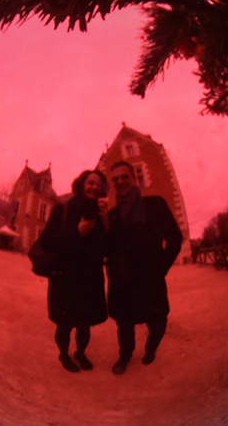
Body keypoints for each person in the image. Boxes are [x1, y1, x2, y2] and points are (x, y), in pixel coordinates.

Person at [106, 160, 182, 374]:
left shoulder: (155, 204)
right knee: (124, 326)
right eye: (115, 179)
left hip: (151, 279)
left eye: (124, 177)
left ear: (134, 178)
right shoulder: (111, 215)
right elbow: (108, 248)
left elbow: (175, 238)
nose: (120, 181)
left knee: (158, 322)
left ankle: (150, 349)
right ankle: (125, 356)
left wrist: (161, 267)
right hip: (123, 283)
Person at [38, 169, 110, 372]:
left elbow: (108, 249)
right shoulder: (64, 209)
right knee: (64, 324)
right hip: (65, 279)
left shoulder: (102, 215)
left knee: (85, 324)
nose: (95, 187)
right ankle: (64, 354)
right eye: (90, 183)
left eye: (98, 185)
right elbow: (47, 241)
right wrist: (77, 232)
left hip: (91, 280)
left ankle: (80, 352)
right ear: (82, 185)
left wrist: (106, 223)